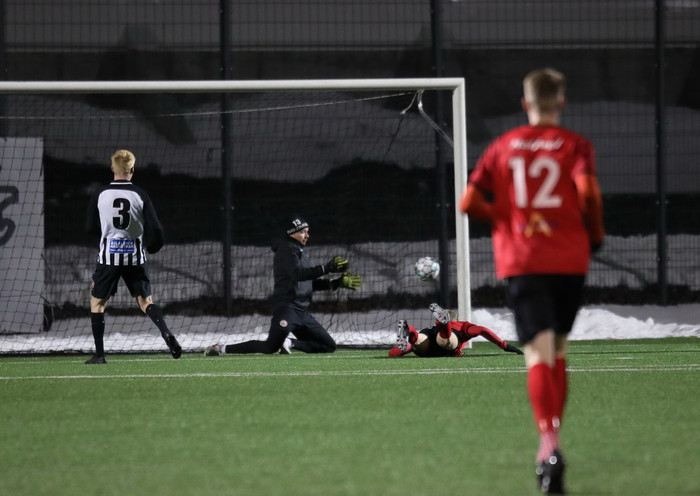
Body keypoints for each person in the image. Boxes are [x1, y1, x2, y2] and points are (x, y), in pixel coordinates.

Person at [460, 68, 605, 494]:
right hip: (568, 259)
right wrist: (595, 234)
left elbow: (468, 202)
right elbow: (588, 193)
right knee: (558, 349)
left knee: (537, 353)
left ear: (525, 104)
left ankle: (549, 445)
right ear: (561, 101)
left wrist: (505, 216)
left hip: (523, 259)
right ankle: (554, 437)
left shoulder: (503, 146)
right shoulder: (575, 145)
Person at [204, 214, 361, 356]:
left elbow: (306, 282)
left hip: (302, 313)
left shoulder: (299, 251)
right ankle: (221, 348)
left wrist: (335, 283)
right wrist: (326, 269)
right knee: (270, 347)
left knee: (328, 346)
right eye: (303, 232)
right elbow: (298, 274)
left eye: (307, 231)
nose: (307, 235)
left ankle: (290, 342)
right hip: (288, 309)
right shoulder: (287, 249)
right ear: (291, 233)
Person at [84, 149, 182, 364]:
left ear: (112, 168)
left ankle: (99, 355)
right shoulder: (140, 194)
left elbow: (89, 227)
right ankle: (166, 332)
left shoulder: (100, 194)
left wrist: (106, 238)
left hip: (109, 257)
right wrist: (153, 247)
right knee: (145, 301)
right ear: (132, 170)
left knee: (97, 303)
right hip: (135, 257)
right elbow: (157, 229)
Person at [389, 303, 523, 357]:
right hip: (445, 341)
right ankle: (444, 325)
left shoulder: (430, 330)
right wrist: (504, 345)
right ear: (456, 320)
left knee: (416, 340)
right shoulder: (463, 325)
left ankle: (409, 329)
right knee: (447, 340)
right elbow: (482, 330)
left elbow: (394, 353)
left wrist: (398, 352)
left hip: (428, 341)